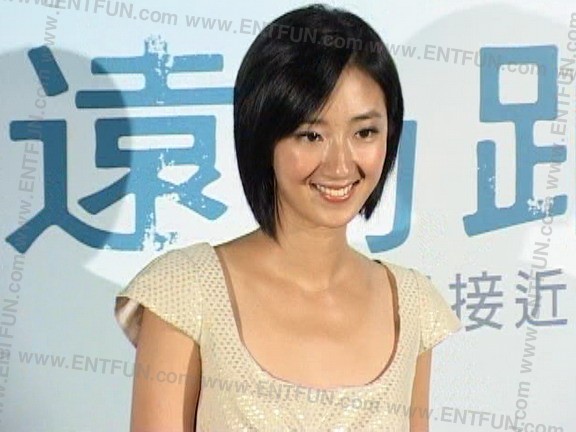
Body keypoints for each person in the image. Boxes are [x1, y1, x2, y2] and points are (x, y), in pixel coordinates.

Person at [114, 3, 462, 431]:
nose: (340, 165)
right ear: (262, 136)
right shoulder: (185, 291)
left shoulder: (411, 304)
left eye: (365, 132)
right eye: (311, 135)